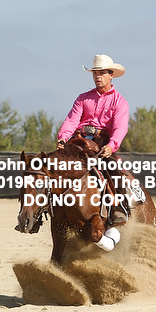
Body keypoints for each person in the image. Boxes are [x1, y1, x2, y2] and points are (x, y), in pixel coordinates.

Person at [56, 54, 130, 225]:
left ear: (111, 75)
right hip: (79, 139)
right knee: (55, 164)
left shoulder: (120, 102)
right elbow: (71, 121)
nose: (98, 76)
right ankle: (46, 206)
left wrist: (111, 146)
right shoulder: (82, 98)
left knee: (112, 167)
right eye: (95, 73)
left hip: (102, 141)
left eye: (102, 73)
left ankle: (118, 206)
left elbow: (120, 128)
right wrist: (63, 138)